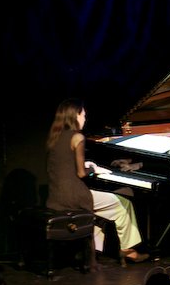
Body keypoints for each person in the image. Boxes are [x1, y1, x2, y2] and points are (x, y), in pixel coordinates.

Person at [45, 98, 148, 263]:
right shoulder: (77, 137)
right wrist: (93, 168)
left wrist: (86, 164)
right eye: (83, 115)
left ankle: (95, 249)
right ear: (76, 115)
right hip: (74, 197)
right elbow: (81, 174)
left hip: (56, 197)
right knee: (124, 204)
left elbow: (63, 164)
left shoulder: (55, 137)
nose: (85, 119)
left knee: (103, 210)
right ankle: (127, 250)